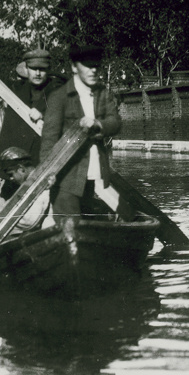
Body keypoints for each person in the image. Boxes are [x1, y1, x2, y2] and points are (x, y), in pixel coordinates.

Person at [39, 45, 122, 237]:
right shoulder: (59, 97)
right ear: (74, 67)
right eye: (88, 65)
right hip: (66, 177)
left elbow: (115, 122)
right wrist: (48, 172)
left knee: (87, 230)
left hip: (95, 176)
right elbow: (49, 139)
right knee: (70, 231)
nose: (94, 70)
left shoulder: (102, 93)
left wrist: (98, 124)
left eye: (97, 66)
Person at [0, 48, 65, 200]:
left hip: (40, 164)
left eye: (42, 69)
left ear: (48, 70)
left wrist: (44, 113)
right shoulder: (17, 91)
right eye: (33, 69)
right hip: (14, 168)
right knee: (6, 199)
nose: (37, 73)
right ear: (26, 69)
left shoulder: (57, 89)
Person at [0, 146, 56, 237]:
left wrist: (5, 212)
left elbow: (30, 222)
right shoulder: (33, 180)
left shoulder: (40, 183)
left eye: (11, 174)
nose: (10, 178)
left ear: (21, 169)